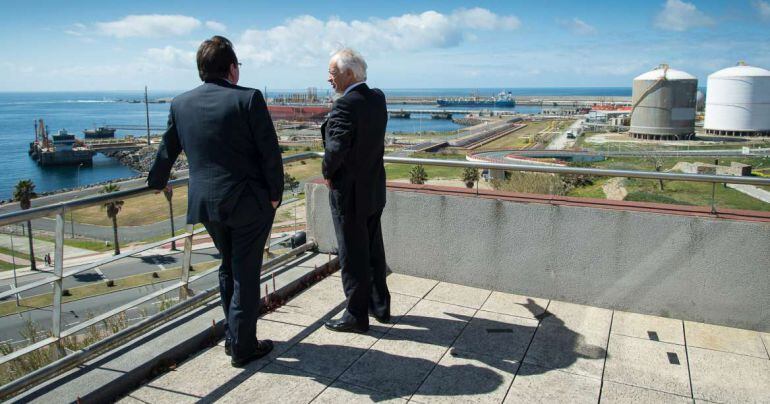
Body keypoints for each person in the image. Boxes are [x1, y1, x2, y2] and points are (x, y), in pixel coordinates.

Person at [147, 36, 283, 367]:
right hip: (248, 203)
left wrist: (156, 181)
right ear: (232, 68)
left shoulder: (181, 103)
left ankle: (232, 337)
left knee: (228, 267)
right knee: (245, 274)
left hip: (206, 204)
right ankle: (242, 347)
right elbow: (269, 153)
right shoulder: (249, 98)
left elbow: (167, 149)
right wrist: (275, 196)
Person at [322, 48, 391, 334]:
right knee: (373, 250)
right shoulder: (377, 98)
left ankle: (355, 315)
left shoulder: (345, 105)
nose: (328, 79)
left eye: (333, 73)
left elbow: (335, 150)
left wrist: (327, 173)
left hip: (349, 195)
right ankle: (380, 306)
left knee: (352, 256)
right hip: (374, 189)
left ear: (349, 74)